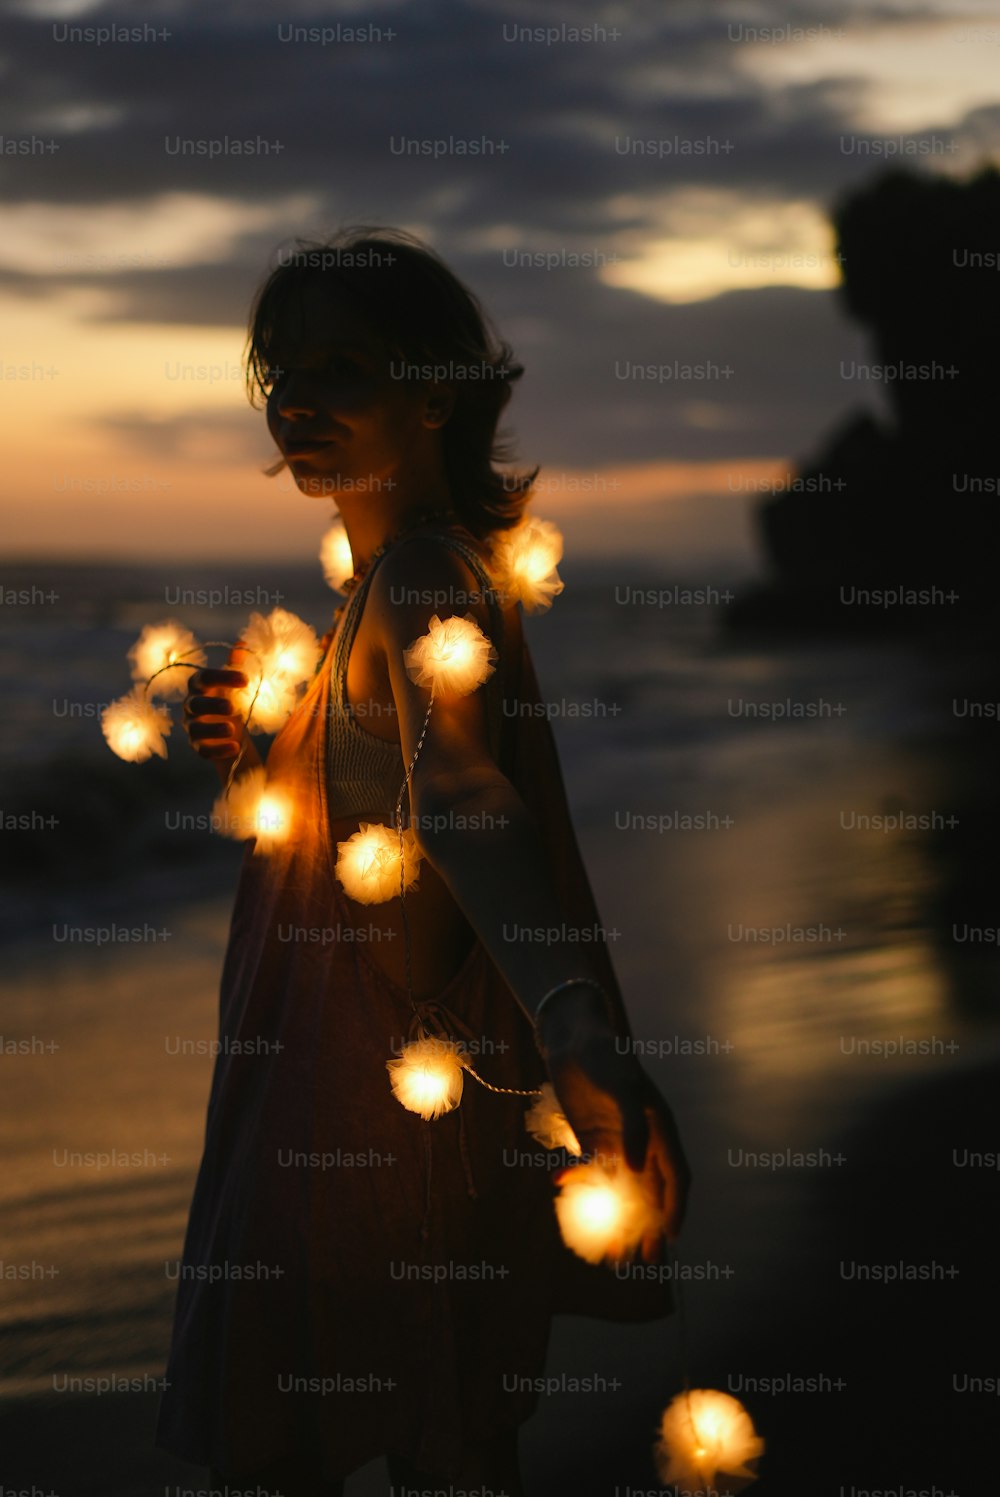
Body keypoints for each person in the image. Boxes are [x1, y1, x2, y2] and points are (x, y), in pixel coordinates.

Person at [154, 227, 690, 1496]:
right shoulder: (395, 583)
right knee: (435, 1440)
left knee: (333, 1444)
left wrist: (574, 1020)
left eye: (341, 370)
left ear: (432, 390)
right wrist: (265, 749)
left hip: (375, 1094)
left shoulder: (423, 577)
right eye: (280, 372)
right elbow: (379, 810)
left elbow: (458, 791)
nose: (298, 402)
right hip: (352, 1076)